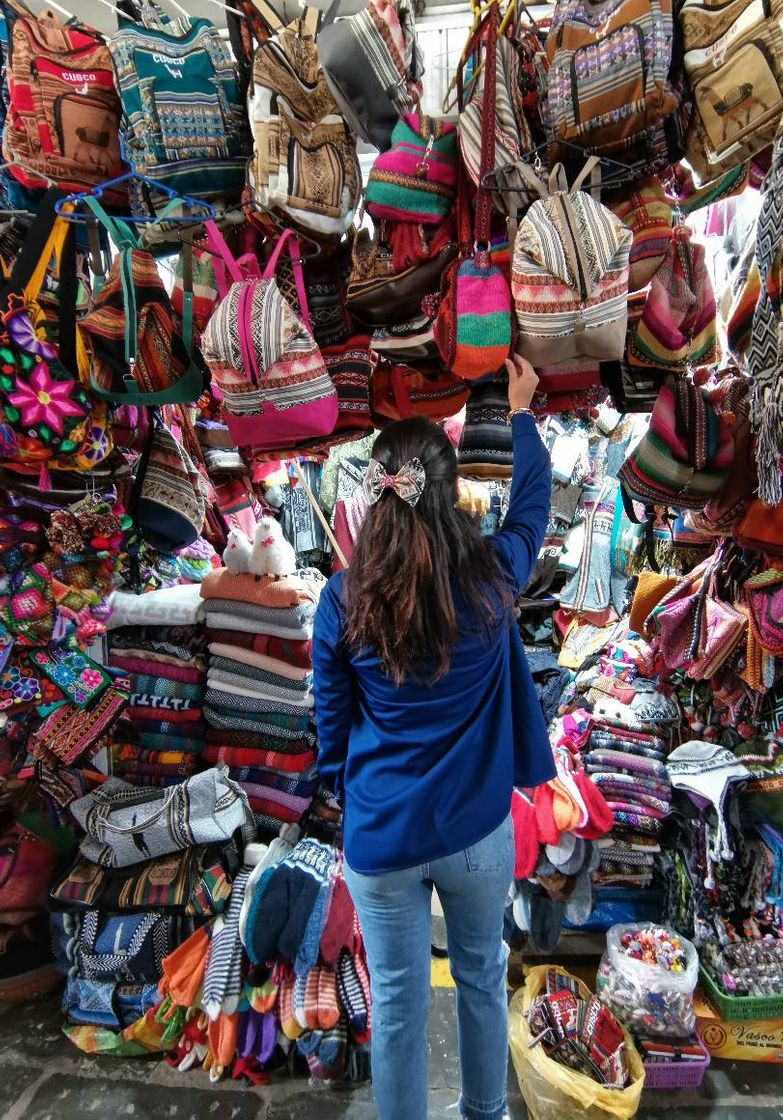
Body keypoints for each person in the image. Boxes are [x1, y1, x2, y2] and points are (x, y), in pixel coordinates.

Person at [312, 355, 554, 1120]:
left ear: (377, 493)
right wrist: (520, 414)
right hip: (477, 834)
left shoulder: (342, 599)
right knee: (483, 979)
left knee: (396, 1006)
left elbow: (332, 722)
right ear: (450, 496)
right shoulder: (491, 583)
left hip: (382, 834)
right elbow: (532, 510)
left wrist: (349, 793)